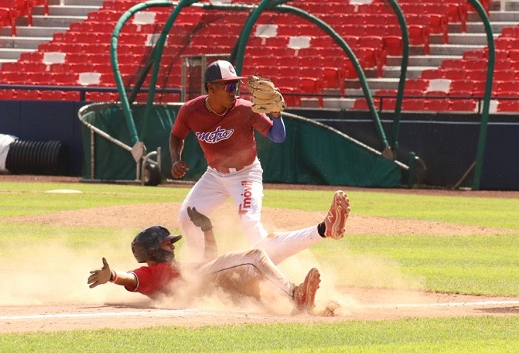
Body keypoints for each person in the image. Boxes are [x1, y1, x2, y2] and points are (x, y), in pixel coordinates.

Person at [87, 191, 350, 313]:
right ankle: (296, 295)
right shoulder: (151, 272)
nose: (173, 244)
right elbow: (131, 279)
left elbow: (211, 262)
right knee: (255, 257)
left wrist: (207, 230)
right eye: (167, 242)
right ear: (153, 250)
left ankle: (310, 305)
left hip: (209, 284)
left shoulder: (177, 268)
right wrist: (112, 276)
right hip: (203, 285)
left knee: (255, 278)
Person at [169, 59, 286, 258]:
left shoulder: (245, 109)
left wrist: (277, 115)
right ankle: (202, 265)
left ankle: (270, 266)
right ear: (211, 88)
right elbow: (176, 136)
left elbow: (278, 136)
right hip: (214, 176)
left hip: (246, 174)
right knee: (187, 218)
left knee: (249, 220)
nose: (234, 90)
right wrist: (175, 159)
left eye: (236, 85)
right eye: (229, 85)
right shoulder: (190, 110)